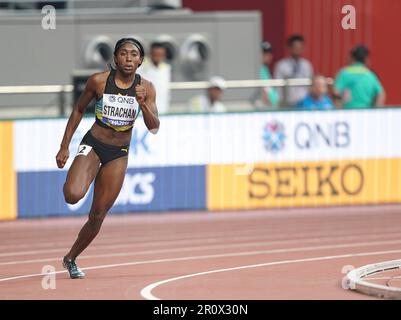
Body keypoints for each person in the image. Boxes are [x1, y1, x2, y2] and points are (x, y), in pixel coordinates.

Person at [55, 38, 160, 279]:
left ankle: (70, 258)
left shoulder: (147, 88)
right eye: (123, 53)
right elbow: (79, 109)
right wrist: (64, 146)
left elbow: (154, 128)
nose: (128, 58)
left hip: (118, 153)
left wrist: (142, 104)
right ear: (115, 58)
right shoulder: (99, 81)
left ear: (140, 60)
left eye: (134, 54)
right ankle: (81, 173)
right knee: (72, 195)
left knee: (98, 215)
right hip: (94, 144)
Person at [274, 34, 313, 107]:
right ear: (289, 48)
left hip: (304, 103)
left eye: (300, 47)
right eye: (295, 47)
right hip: (287, 103)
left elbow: (310, 84)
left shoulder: (307, 65)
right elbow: (277, 85)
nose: (298, 50)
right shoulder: (281, 65)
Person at [137, 41, 171, 114]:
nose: (158, 57)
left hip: (163, 108)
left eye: (161, 55)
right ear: (151, 54)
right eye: (156, 54)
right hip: (144, 111)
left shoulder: (166, 68)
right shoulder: (141, 67)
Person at [259, 41, 279, 108]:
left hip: (272, 107)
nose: (269, 56)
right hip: (264, 108)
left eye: (270, 53)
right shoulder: (258, 69)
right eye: (265, 54)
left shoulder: (265, 69)